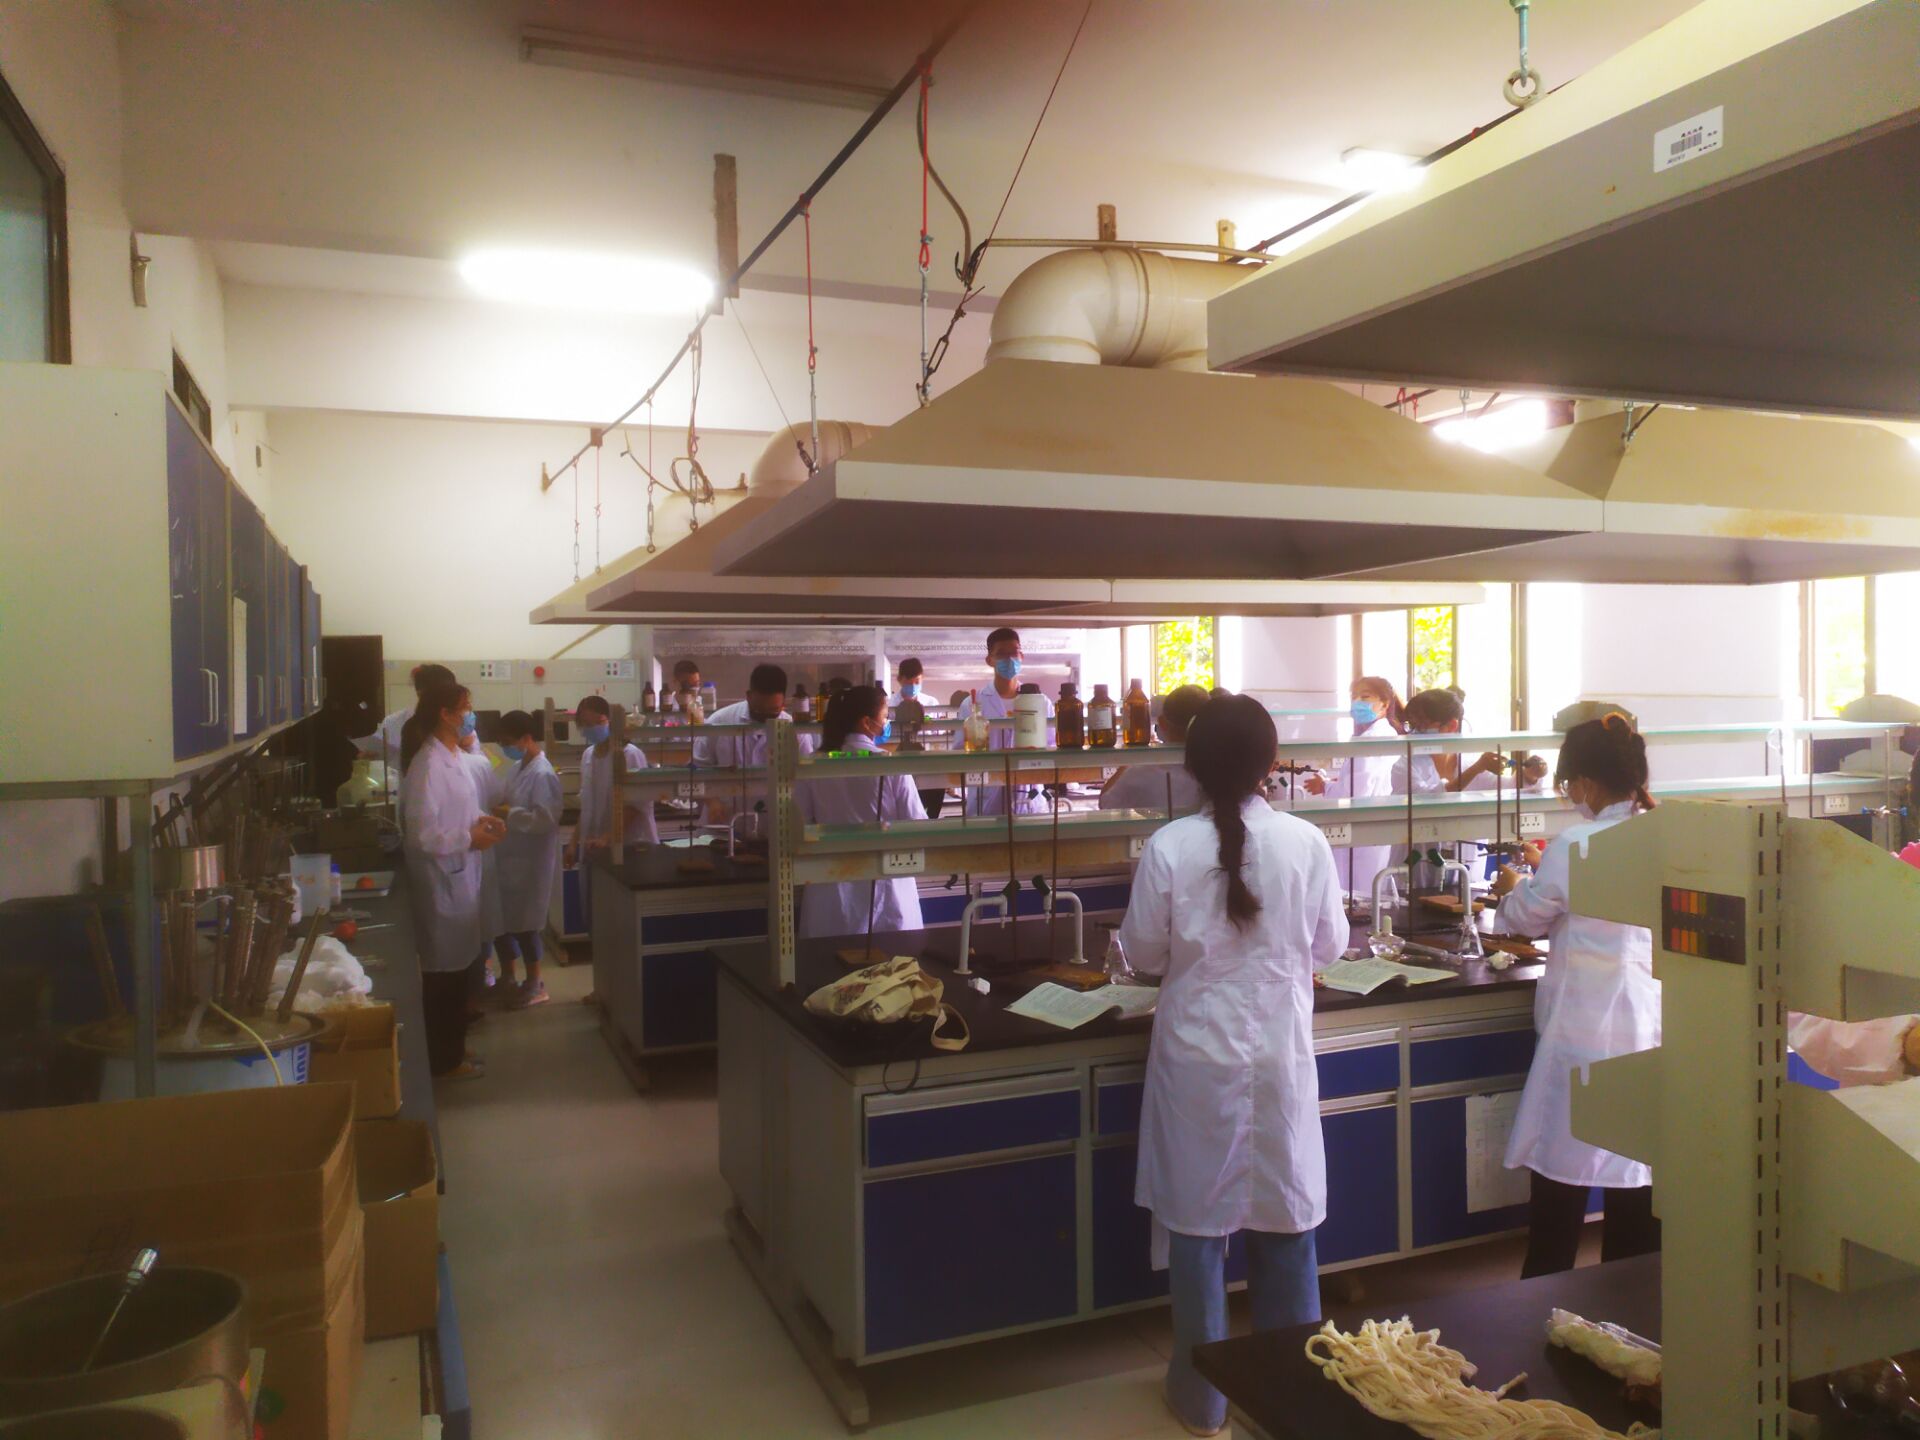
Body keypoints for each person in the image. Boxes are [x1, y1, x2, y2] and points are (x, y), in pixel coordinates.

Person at [1117, 695, 1349, 1436]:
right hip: (1278, 1053)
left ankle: (1201, 1398)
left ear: (1191, 765)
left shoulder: (1170, 846)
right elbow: (1331, 947)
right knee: (1285, 1218)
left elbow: (1144, 952)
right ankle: (1290, 1391)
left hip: (1196, 1057)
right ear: (1270, 763)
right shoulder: (1305, 842)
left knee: (1196, 1226)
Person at [1489, 714, 1662, 1278]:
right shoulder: (1667, 835)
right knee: (1637, 1176)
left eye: (1569, 785)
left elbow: (1524, 919)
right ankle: (1631, 1305)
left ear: (1586, 782)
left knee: (1560, 1184)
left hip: (1585, 1028)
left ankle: (1544, 1300)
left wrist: (1515, 886)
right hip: (1649, 1025)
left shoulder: (1576, 843)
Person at [400, 680, 505, 1079]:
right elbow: (422, 836)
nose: (469, 713)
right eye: (465, 707)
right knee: (444, 981)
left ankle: (454, 1049)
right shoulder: (428, 765)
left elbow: (459, 809)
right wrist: (468, 838)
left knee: (459, 975)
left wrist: (481, 821)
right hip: (441, 885)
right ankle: (444, 1061)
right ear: (445, 714)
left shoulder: (454, 756)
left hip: (461, 878)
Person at [797, 686, 928, 938]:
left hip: (830, 885)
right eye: (885, 716)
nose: (887, 722)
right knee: (895, 961)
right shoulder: (889, 764)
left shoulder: (813, 764)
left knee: (830, 960)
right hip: (887, 885)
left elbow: (799, 824)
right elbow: (917, 825)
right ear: (866, 722)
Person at [1304, 677, 1405, 901]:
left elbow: (1354, 794)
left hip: (1362, 826)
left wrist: (1325, 786)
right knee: (1367, 893)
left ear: (1385, 704)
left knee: (1357, 896)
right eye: (1354, 696)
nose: (1357, 702)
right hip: (1373, 824)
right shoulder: (1384, 734)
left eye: (1365, 696)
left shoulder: (1371, 740)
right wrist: (1337, 781)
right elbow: (1365, 781)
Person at [491, 710, 563, 1009]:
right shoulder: (516, 768)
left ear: (527, 738)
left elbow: (545, 820)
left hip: (531, 861)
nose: (506, 747)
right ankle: (508, 976)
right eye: (502, 742)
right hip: (510, 856)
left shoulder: (543, 773)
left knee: (527, 924)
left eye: (509, 741)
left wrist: (511, 814)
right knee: (505, 922)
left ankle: (535, 983)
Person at [953, 627, 1053, 816]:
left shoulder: (1041, 702)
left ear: (1021, 656)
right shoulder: (972, 703)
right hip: (985, 799)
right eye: (1001, 654)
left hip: (1029, 799)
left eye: (1014, 653)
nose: (1009, 659)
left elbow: (1051, 748)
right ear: (989, 660)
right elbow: (960, 751)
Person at [1100, 684, 1208, 814]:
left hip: (1157, 828)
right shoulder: (1222, 769)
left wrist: (1129, 762)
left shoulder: (1140, 773)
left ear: (1162, 723)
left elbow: (1106, 804)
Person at [358, 663, 454, 805]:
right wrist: (367, 760)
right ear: (420, 693)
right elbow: (373, 760)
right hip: (404, 795)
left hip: (448, 795)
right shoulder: (394, 722)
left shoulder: (457, 721)